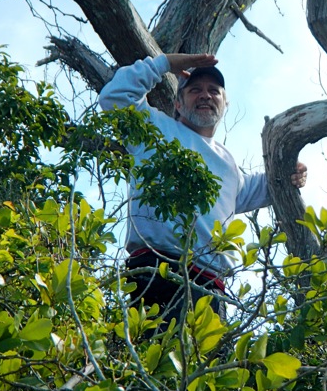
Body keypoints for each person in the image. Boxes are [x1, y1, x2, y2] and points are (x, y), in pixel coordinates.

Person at [99, 53, 307, 322]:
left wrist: (292, 170)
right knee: (158, 358)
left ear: (225, 103)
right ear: (178, 102)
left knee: (206, 361)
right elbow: (114, 97)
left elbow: (265, 186)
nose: (205, 96)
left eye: (214, 91)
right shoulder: (153, 127)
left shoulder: (229, 165)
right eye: (195, 90)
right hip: (156, 271)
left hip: (212, 288)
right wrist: (164, 64)